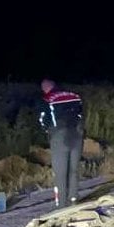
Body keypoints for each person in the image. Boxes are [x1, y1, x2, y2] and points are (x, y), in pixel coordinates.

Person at [38, 79, 85, 208]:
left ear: (45, 88)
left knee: (60, 172)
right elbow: (81, 114)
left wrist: (48, 130)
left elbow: (43, 119)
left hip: (60, 136)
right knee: (74, 169)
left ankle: (61, 203)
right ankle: (74, 198)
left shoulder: (48, 99)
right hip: (77, 134)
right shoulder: (74, 96)